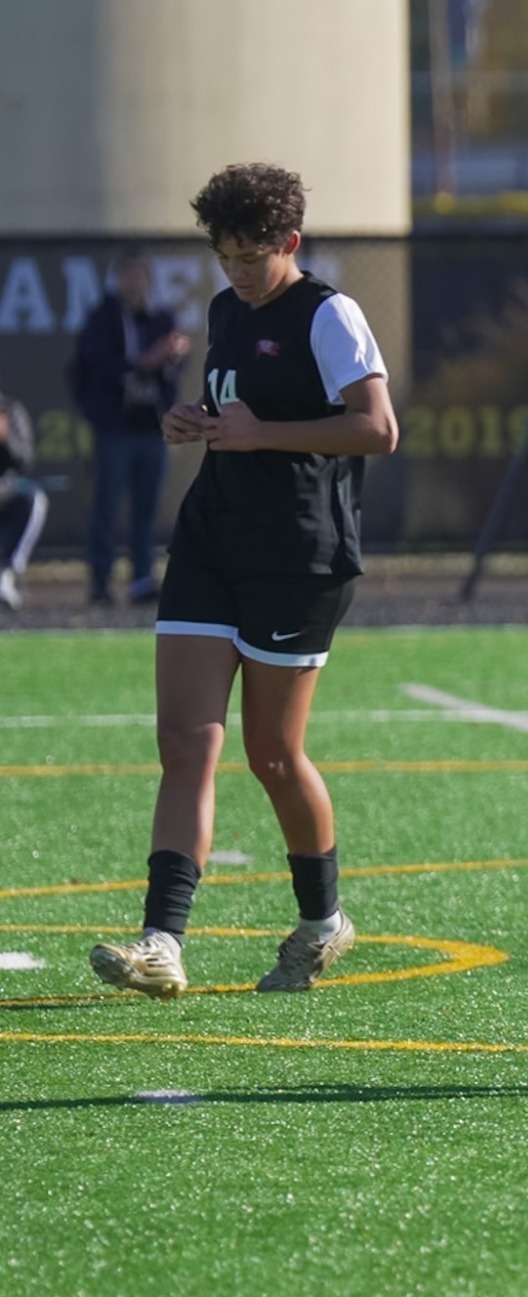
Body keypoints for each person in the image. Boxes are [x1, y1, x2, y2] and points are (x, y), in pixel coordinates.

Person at [88, 163, 397, 999]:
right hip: (210, 542)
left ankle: (322, 919)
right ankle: (162, 940)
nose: (235, 273)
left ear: (289, 244)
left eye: (250, 257)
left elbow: (378, 427)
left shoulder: (331, 314)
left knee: (272, 754)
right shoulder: (229, 309)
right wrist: (192, 421)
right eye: (223, 256)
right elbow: (233, 409)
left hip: (298, 558)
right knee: (187, 741)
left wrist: (261, 434)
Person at [74, 249, 190, 605]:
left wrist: (172, 356)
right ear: (117, 279)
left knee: (146, 506)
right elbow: (98, 365)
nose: (134, 282)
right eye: (127, 275)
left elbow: (171, 369)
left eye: (140, 274)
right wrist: (142, 362)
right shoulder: (102, 318)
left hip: (151, 425)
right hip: (115, 426)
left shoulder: (160, 317)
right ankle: (100, 579)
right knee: (107, 504)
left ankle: (142, 578)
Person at [0, 383, 48, 611]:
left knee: (32, 499)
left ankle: (6, 573)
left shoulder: (9, 409)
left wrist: (5, 436)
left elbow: (24, 459)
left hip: (3, 488)